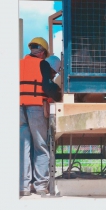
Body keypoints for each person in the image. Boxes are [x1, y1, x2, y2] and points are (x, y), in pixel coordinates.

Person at [20, 37, 61, 196]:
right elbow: (46, 86)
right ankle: (40, 186)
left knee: (24, 148)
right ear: (42, 52)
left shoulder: (19, 63)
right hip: (36, 108)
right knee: (41, 147)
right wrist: (59, 95)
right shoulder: (42, 64)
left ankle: (23, 187)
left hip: (19, 109)